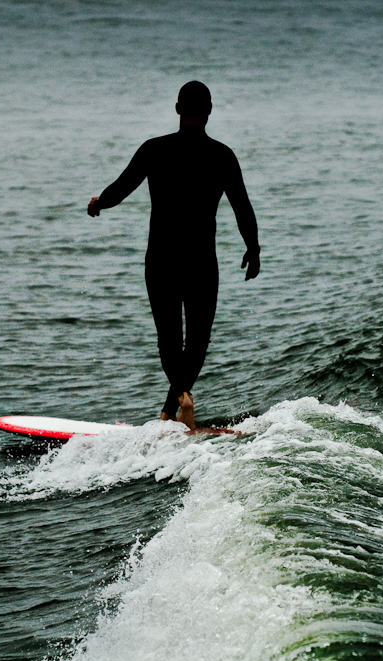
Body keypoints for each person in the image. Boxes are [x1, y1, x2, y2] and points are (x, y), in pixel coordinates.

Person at [87, 81, 260, 429]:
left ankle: (176, 402)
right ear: (209, 111)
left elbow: (123, 186)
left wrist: (98, 203)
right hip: (200, 262)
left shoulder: (155, 149)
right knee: (197, 341)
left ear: (177, 108)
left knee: (169, 338)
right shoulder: (222, 156)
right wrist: (252, 249)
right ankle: (178, 404)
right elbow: (242, 206)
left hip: (162, 260)